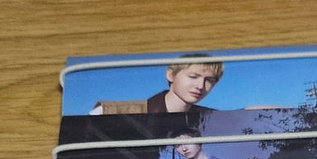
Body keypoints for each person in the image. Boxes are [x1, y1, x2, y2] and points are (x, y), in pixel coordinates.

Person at [91, 54, 224, 115]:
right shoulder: (108, 112)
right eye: (193, 76)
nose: (200, 85)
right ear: (170, 75)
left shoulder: (214, 118)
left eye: (209, 80)